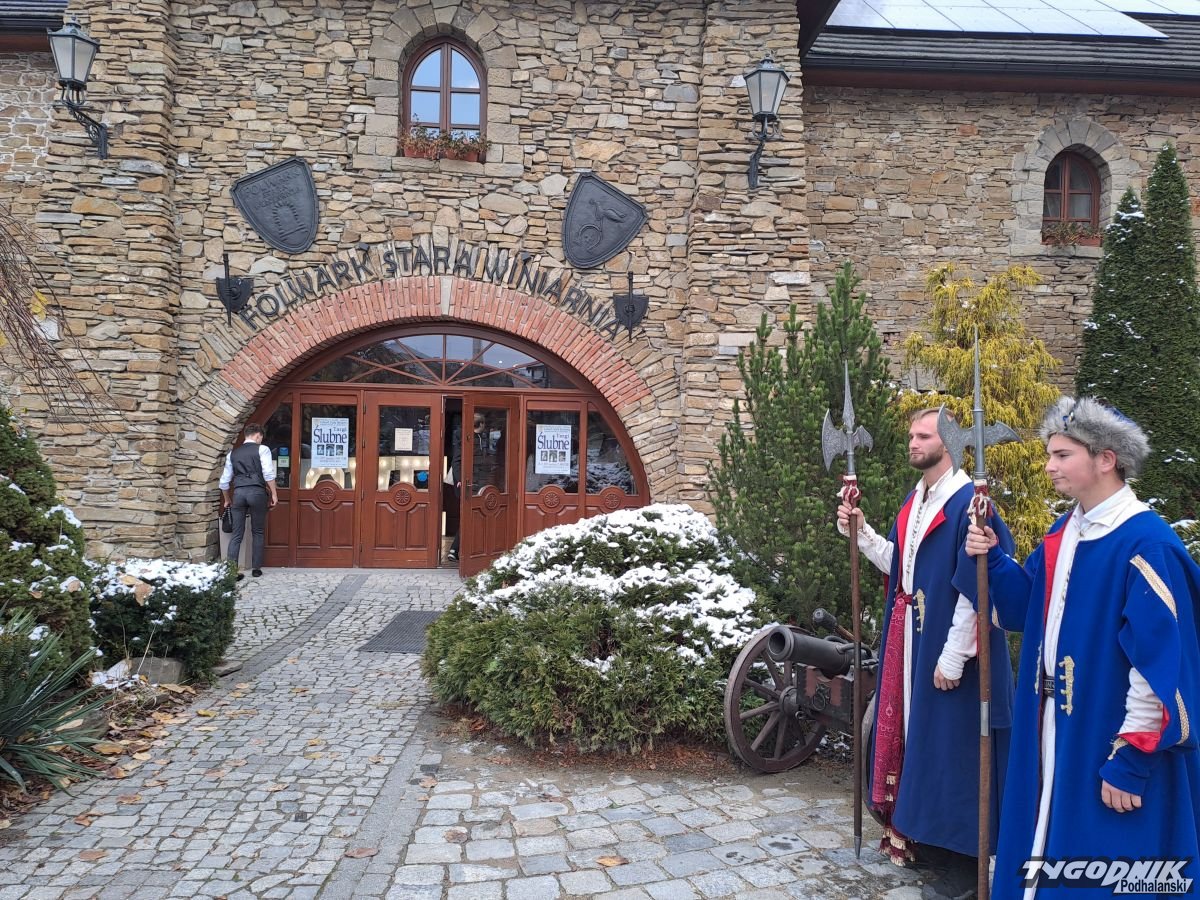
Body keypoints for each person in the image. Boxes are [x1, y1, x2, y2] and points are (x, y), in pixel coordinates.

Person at [963, 397, 1200, 899]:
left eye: (1063, 455)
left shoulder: (1147, 544)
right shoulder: (1065, 531)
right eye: (1050, 454)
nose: (1049, 466)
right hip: (1051, 725)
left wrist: (1130, 760)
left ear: (1106, 459)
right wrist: (992, 558)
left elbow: (1159, 666)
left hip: (1103, 732)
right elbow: (1026, 608)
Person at [837, 407, 1014, 893]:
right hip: (914, 636)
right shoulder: (918, 499)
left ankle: (966, 860)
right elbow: (903, 567)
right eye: (912, 435)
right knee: (926, 741)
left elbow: (977, 587)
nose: (912, 443)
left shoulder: (970, 505)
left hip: (951, 646)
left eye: (923, 436)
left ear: (950, 441)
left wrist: (954, 654)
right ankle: (932, 841)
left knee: (956, 747)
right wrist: (861, 533)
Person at [219, 422, 278, 580]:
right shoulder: (262, 449)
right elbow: (268, 473)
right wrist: (274, 494)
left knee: (237, 534)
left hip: (239, 493)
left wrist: (227, 500)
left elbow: (224, 482)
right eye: (261, 438)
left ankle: (231, 571)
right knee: (257, 531)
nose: (260, 440)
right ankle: (256, 569)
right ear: (258, 435)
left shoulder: (232, 454)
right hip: (257, 492)